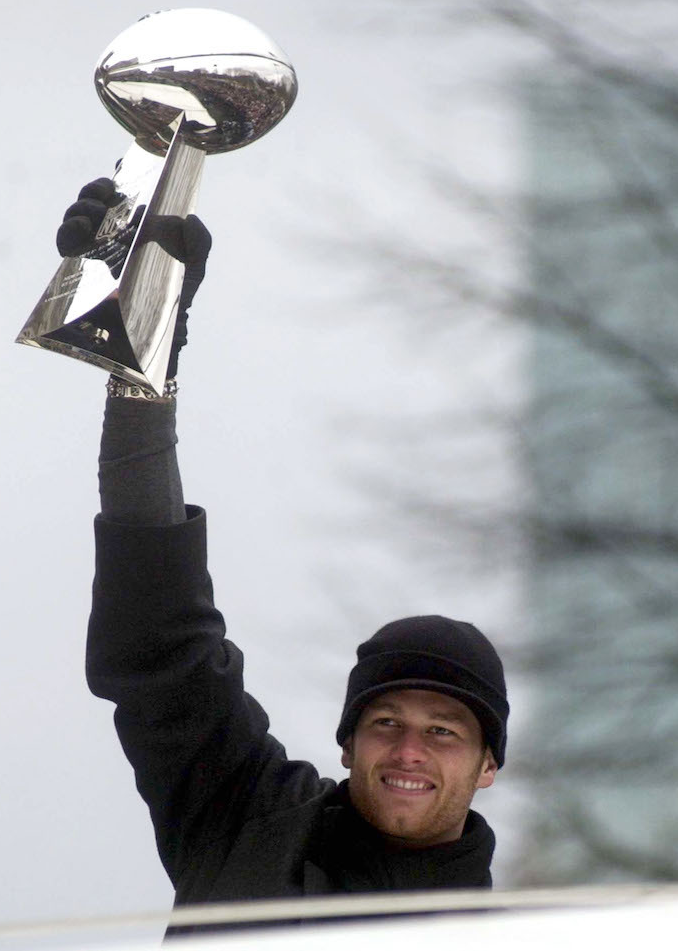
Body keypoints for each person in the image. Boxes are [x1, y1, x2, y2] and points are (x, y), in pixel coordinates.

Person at [59, 180, 510, 928]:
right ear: (346, 744)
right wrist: (142, 361)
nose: (407, 752)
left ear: (487, 765)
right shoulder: (247, 818)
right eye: (386, 722)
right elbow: (160, 638)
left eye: (443, 731)